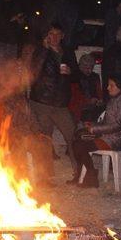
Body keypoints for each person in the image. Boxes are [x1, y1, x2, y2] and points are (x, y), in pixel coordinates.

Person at [29, 23, 79, 181]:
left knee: (72, 136)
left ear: (63, 36)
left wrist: (71, 72)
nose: (55, 37)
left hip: (60, 103)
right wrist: (44, 49)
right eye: (51, 33)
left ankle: (79, 173)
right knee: (44, 140)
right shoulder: (40, 51)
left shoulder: (68, 52)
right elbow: (34, 72)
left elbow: (77, 75)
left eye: (58, 34)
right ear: (47, 35)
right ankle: (44, 178)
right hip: (42, 101)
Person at [72, 74, 121, 188]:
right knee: (77, 140)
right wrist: (93, 125)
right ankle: (86, 175)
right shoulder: (115, 100)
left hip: (118, 139)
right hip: (110, 136)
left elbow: (117, 125)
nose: (108, 88)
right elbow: (107, 122)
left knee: (81, 145)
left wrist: (94, 129)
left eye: (111, 85)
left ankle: (91, 176)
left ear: (120, 87)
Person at [68, 53, 103, 122]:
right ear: (80, 66)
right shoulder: (74, 77)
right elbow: (74, 96)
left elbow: (99, 92)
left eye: (91, 67)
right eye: (86, 68)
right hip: (79, 108)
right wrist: (88, 101)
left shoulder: (95, 77)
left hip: (93, 106)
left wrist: (99, 100)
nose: (89, 70)